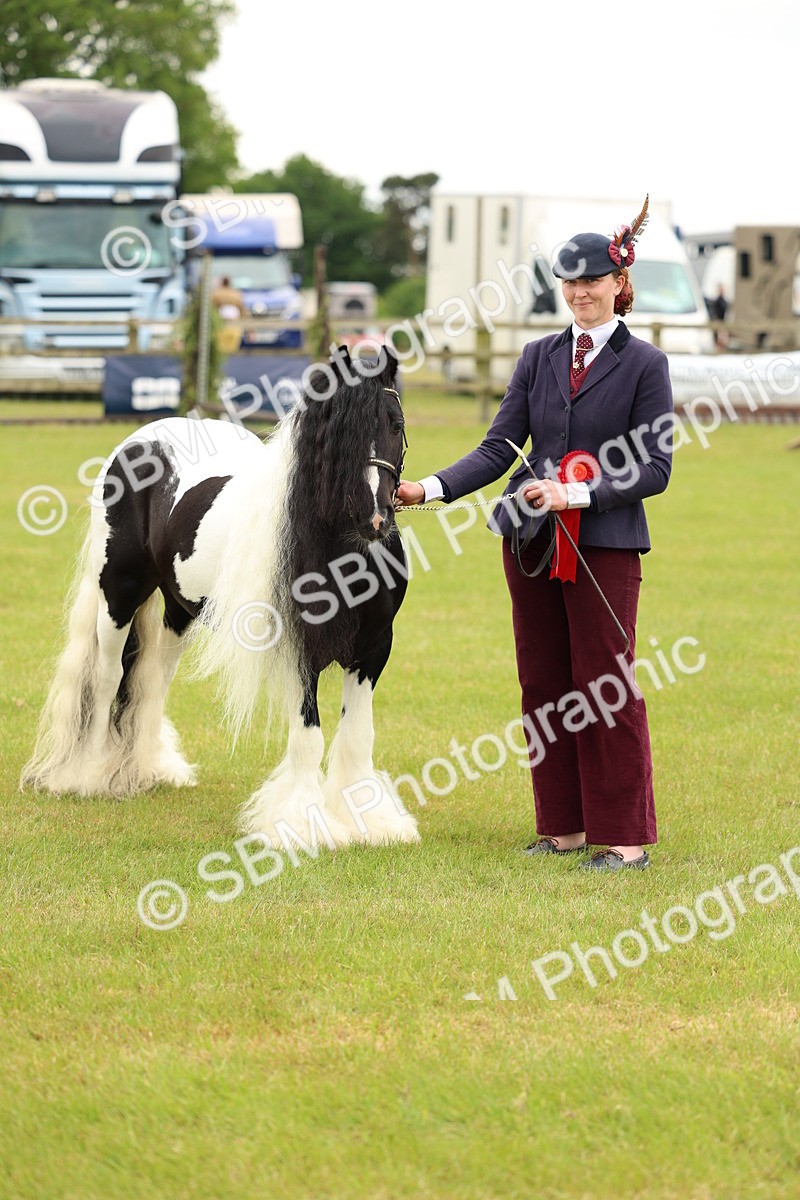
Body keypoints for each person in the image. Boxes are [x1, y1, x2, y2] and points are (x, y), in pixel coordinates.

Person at [396, 197, 674, 872]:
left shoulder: (646, 364)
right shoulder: (537, 356)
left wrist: (573, 492)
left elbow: (655, 468)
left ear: (619, 282)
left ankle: (625, 840)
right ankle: (564, 827)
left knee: (603, 681)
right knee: (543, 681)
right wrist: (426, 488)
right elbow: (499, 448)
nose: (580, 292)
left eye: (592, 281)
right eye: (569, 282)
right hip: (529, 542)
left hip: (604, 543)